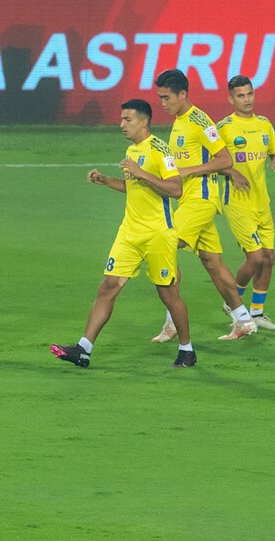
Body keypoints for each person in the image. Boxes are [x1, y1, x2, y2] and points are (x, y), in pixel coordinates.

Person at [51, 99, 195, 368]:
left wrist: (142, 173)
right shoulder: (132, 150)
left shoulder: (159, 150)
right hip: (129, 233)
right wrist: (106, 181)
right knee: (107, 287)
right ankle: (84, 349)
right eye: (121, 119)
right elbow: (136, 188)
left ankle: (187, 349)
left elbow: (176, 189)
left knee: (167, 293)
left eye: (127, 120)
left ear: (143, 121)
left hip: (158, 235)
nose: (121, 125)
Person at [150, 68, 257, 342]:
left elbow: (225, 160)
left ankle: (172, 322)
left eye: (166, 97)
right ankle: (244, 321)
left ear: (182, 94)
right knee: (212, 262)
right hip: (189, 199)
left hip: (201, 199)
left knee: (165, 245)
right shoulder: (179, 120)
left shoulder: (200, 121)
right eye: (160, 98)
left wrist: (189, 171)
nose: (162, 103)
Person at [216, 75, 275, 330]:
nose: (246, 100)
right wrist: (232, 172)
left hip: (261, 202)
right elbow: (211, 162)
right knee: (255, 258)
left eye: (249, 94)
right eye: (240, 96)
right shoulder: (223, 128)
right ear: (231, 98)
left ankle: (257, 313)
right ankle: (232, 299)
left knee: (269, 257)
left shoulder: (264, 124)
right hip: (237, 203)